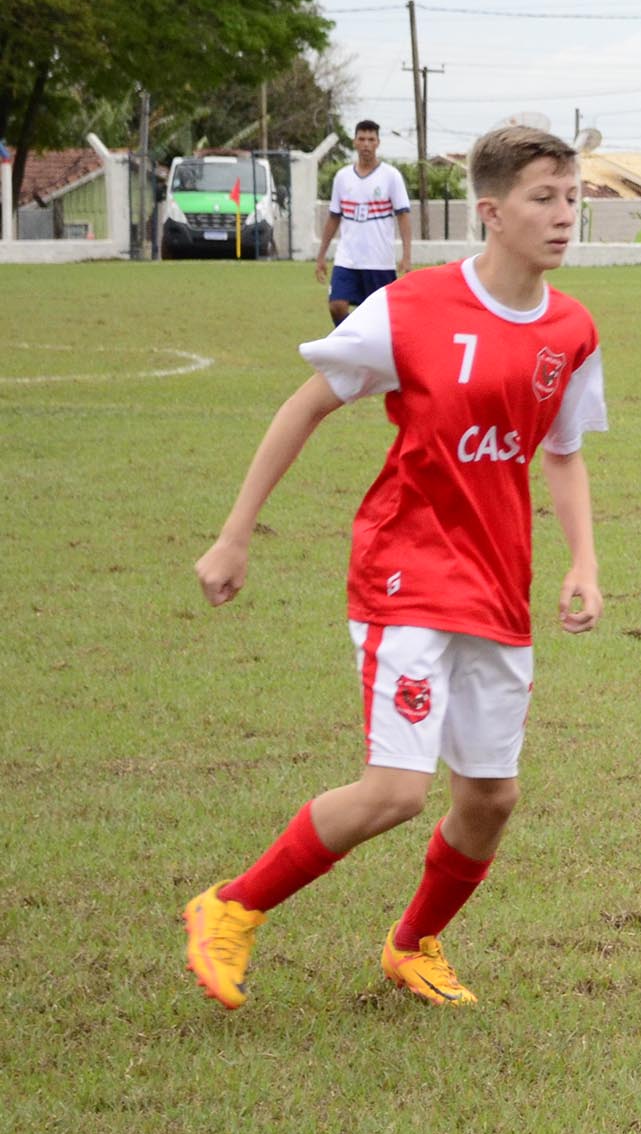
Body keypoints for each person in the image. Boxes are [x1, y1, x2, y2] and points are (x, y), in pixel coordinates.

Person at [179, 124, 607, 1011]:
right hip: (405, 574)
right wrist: (235, 533)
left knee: (491, 798)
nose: (564, 217)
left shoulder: (571, 328)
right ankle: (229, 907)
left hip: (497, 587)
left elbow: (562, 451)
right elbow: (305, 406)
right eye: (543, 199)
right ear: (490, 213)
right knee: (396, 791)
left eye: (571, 199)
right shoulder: (410, 308)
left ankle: (413, 945)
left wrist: (583, 562)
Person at [317, 119, 415, 326]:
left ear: (378, 143)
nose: (366, 144)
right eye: (362, 139)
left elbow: (403, 216)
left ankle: (368, 349)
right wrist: (321, 256)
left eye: (371, 139)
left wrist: (406, 256)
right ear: (354, 142)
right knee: (336, 305)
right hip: (347, 259)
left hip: (379, 260)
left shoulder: (391, 176)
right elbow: (334, 217)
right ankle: (351, 342)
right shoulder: (342, 177)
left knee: (379, 317)